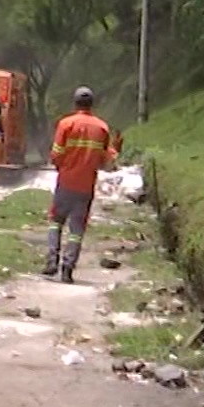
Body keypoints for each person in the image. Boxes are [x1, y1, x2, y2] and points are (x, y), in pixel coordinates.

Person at [43, 86, 117, 283]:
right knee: (77, 228)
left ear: (75, 103)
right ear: (92, 104)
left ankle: (52, 262)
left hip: (66, 182)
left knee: (55, 221)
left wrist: (60, 166)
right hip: (86, 186)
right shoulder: (102, 128)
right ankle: (68, 268)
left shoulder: (66, 124)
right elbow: (106, 159)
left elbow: (56, 153)